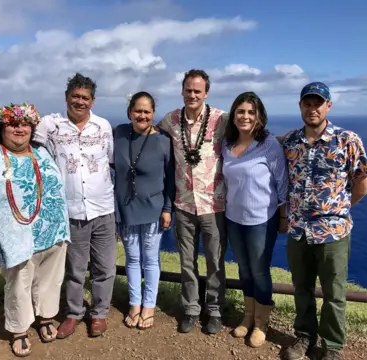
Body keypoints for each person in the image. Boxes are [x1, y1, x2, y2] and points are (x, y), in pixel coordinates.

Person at [0, 103, 70, 357]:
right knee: (19, 283)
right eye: (13, 123)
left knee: (50, 280)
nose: (20, 128)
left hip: (53, 232)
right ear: (1, 127)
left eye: (25, 124)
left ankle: (45, 318)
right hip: (15, 238)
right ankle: (19, 330)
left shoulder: (41, 153)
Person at [281, 82, 367, 360]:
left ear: (328, 106)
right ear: (300, 106)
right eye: (307, 103)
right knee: (302, 289)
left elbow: (362, 185)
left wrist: (337, 210)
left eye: (318, 103)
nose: (312, 109)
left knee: (334, 293)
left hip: (333, 233)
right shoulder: (290, 142)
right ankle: (305, 336)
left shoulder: (347, 140)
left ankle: (332, 346)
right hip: (298, 231)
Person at [34, 73, 116, 338]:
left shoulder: (103, 126)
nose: (80, 101)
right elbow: (25, 147)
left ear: (93, 101)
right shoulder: (50, 125)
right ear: (66, 97)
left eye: (85, 97)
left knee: (105, 267)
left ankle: (99, 314)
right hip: (70, 210)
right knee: (75, 268)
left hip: (103, 208)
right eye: (75, 96)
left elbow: (111, 159)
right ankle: (73, 313)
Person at [157, 69, 229, 334]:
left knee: (215, 261)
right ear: (182, 90)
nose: (192, 95)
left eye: (198, 91)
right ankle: (191, 308)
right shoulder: (170, 120)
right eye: (188, 90)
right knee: (187, 262)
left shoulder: (222, 119)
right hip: (183, 204)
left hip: (214, 204)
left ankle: (215, 309)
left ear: (206, 93)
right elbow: (151, 135)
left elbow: (249, 129)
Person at [222, 92, 288, 347]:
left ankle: (261, 323)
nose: (245, 116)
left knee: (260, 272)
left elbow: (282, 185)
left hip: (262, 219)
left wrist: (283, 217)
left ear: (259, 116)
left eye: (251, 112)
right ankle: (248, 317)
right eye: (241, 111)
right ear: (234, 115)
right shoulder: (227, 144)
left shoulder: (269, 144)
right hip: (233, 218)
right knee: (243, 269)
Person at [113, 91, 175, 330]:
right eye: (138, 110)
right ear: (129, 112)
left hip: (153, 208)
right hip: (126, 207)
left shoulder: (163, 140)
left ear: (153, 114)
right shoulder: (118, 133)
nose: (142, 115)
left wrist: (168, 208)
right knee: (132, 258)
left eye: (147, 111)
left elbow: (170, 179)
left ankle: (149, 305)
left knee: (150, 259)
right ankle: (134, 303)